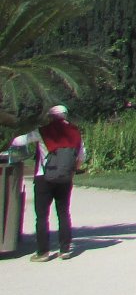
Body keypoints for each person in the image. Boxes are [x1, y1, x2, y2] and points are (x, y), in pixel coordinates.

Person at [10, 104, 85, 261]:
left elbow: (20, 141)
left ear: (51, 117)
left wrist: (11, 135)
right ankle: (65, 250)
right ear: (65, 116)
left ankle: (42, 252)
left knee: (42, 216)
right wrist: (71, 171)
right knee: (63, 213)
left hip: (43, 177)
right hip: (65, 178)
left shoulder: (43, 131)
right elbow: (81, 157)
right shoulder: (75, 132)